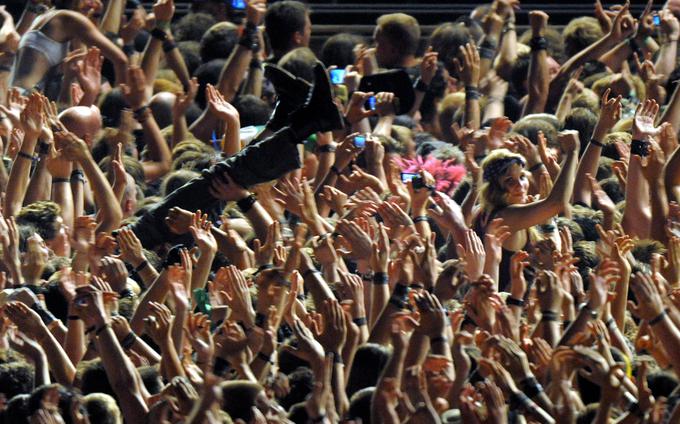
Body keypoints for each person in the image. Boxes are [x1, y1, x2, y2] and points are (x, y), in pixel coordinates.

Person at [2, 0, 680, 422]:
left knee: (199, 203)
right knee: (201, 203)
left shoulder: (475, 226)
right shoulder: (494, 229)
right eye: (521, 171)